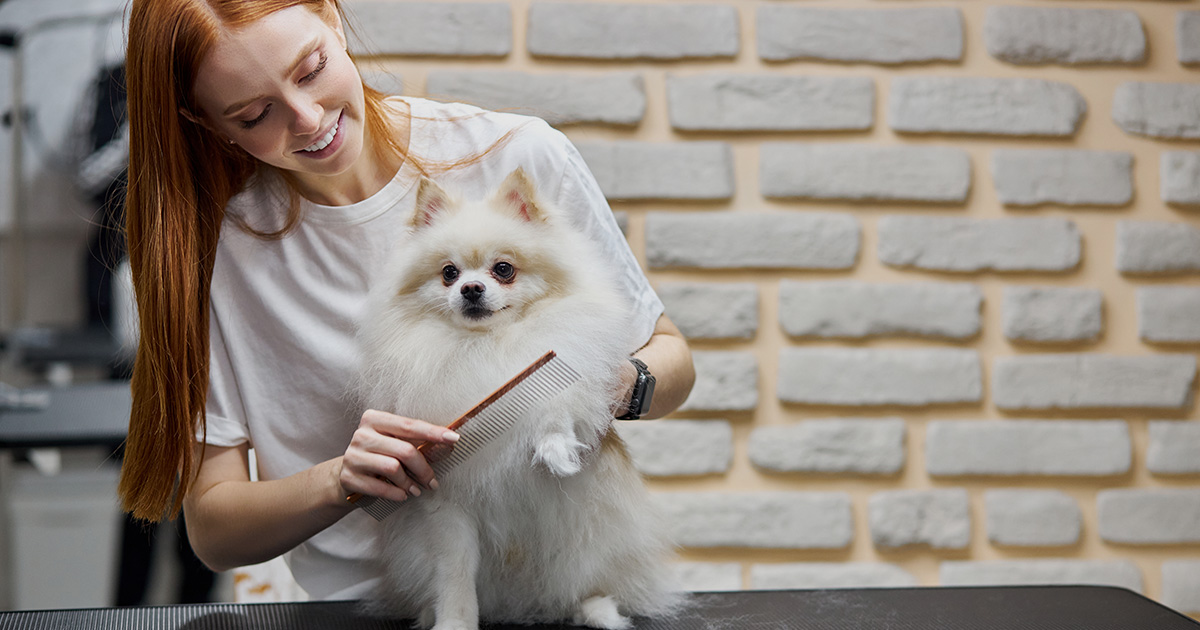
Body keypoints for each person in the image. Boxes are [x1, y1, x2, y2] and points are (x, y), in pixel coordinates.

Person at [117, 0, 695, 601]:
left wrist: (606, 384)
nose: (309, 119)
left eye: (311, 69)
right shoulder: (219, 252)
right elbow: (213, 531)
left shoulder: (515, 157)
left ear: (332, 21)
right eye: (255, 114)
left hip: (552, 589)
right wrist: (338, 479)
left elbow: (673, 363)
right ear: (205, 120)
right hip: (358, 607)